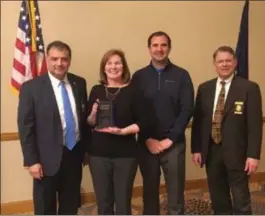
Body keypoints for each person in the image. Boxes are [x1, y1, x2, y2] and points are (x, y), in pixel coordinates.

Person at [17, 41, 89, 215]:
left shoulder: (79, 83)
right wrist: (31, 161)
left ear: (69, 60)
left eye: (64, 59)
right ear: (47, 60)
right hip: (45, 160)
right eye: (54, 59)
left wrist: (86, 150)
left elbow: (83, 119)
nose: (59, 63)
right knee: (44, 207)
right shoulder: (31, 88)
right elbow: (26, 127)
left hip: (73, 155)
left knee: (70, 205)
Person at [191, 45, 263, 215]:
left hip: (238, 152)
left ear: (235, 63)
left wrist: (253, 155)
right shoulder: (204, 88)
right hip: (212, 150)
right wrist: (196, 149)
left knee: (240, 198)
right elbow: (199, 122)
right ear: (214, 64)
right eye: (220, 61)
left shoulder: (249, 88)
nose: (224, 64)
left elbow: (255, 125)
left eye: (228, 61)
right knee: (218, 197)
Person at [131, 31, 194, 215]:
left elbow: (187, 109)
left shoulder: (182, 75)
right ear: (149, 49)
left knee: (175, 195)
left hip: (173, 145)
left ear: (169, 48)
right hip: (146, 145)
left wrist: (170, 139)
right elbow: (134, 111)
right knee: (149, 193)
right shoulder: (139, 77)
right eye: (155, 45)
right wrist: (147, 139)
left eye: (163, 45)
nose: (159, 49)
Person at [87, 49, 148, 215]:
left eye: (117, 63)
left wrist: (123, 131)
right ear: (104, 67)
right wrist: (93, 113)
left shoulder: (134, 91)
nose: (113, 67)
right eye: (109, 63)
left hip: (126, 154)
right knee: (103, 201)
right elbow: (89, 123)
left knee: (123, 202)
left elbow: (143, 122)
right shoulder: (96, 90)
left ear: (124, 66)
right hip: (98, 154)